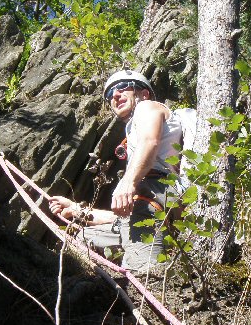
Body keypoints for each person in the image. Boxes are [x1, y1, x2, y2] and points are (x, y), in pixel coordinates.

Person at [49, 69, 182, 272]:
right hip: (149, 206)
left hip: (157, 194)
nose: (114, 96)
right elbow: (122, 218)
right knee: (78, 240)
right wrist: (77, 209)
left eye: (121, 88)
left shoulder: (147, 107)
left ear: (143, 93)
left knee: (145, 274)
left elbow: (150, 141)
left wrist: (128, 182)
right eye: (110, 94)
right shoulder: (134, 134)